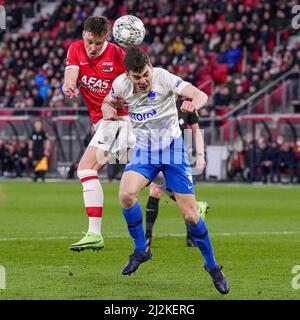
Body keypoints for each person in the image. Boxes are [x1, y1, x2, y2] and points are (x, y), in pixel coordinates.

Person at [102, 46, 229, 294]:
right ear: (128, 75)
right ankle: (142, 250)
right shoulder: (120, 85)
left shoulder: (164, 77)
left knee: (191, 216)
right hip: (144, 151)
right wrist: (109, 110)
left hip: (173, 150)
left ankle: (212, 266)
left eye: (146, 74)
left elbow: (198, 93)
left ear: (150, 67)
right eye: (137, 77)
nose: (143, 80)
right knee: (126, 194)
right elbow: (108, 102)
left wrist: (194, 102)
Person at [62, 16, 136, 252]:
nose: (93, 48)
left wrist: (115, 100)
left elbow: (136, 82)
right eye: (90, 42)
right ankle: (192, 204)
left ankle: (94, 233)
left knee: (85, 169)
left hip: (119, 119)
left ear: (107, 38)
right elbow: (71, 71)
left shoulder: (117, 55)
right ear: (84, 34)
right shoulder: (75, 49)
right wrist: (69, 85)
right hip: (105, 122)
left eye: (98, 43)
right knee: (147, 170)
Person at [145, 99, 209, 247]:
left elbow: (196, 132)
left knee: (183, 196)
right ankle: (147, 236)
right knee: (155, 190)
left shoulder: (186, 106)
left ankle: (191, 236)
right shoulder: (155, 103)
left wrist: (200, 155)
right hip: (158, 155)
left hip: (179, 158)